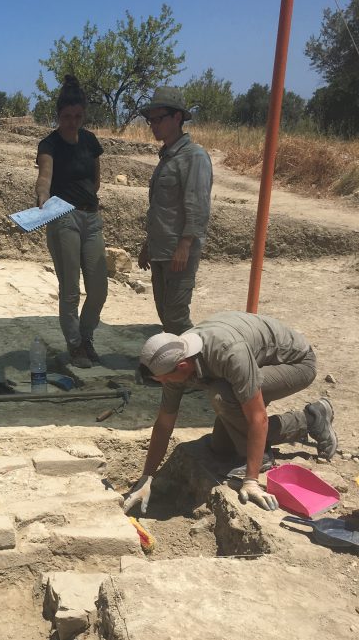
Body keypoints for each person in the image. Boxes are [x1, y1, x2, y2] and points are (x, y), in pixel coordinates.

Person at [123, 313, 338, 514]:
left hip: (295, 364)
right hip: (254, 361)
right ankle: (309, 420)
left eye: (167, 380)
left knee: (222, 396)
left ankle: (281, 442)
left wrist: (251, 480)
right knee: (221, 447)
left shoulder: (227, 353)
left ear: (182, 366)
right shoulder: (173, 359)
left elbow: (257, 417)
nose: (166, 384)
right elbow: (164, 423)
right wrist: (147, 476)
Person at [35, 75, 107, 368]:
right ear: (58, 116)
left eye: (78, 116)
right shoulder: (49, 144)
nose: (72, 122)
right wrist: (43, 201)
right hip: (63, 217)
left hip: (91, 217)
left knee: (99, 287)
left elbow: (96, 179)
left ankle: (86, 336)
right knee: (71, 288)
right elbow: (44, 180)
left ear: (84, 115)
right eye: (67, 117)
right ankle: (75, 345)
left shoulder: (90, 141)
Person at [137, 87, 212, 334]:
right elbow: (161, 208)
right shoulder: (167, 158)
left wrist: (185, 246)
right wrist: (149, 244)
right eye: (151, 120)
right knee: (166, 316)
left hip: (178, 253)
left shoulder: (194, 157)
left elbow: (198, 207)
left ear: (177, 118)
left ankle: (200, 367)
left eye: (159, 119)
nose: (153, 125)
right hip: (161, 250)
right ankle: (178, 369)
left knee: (177, 317)